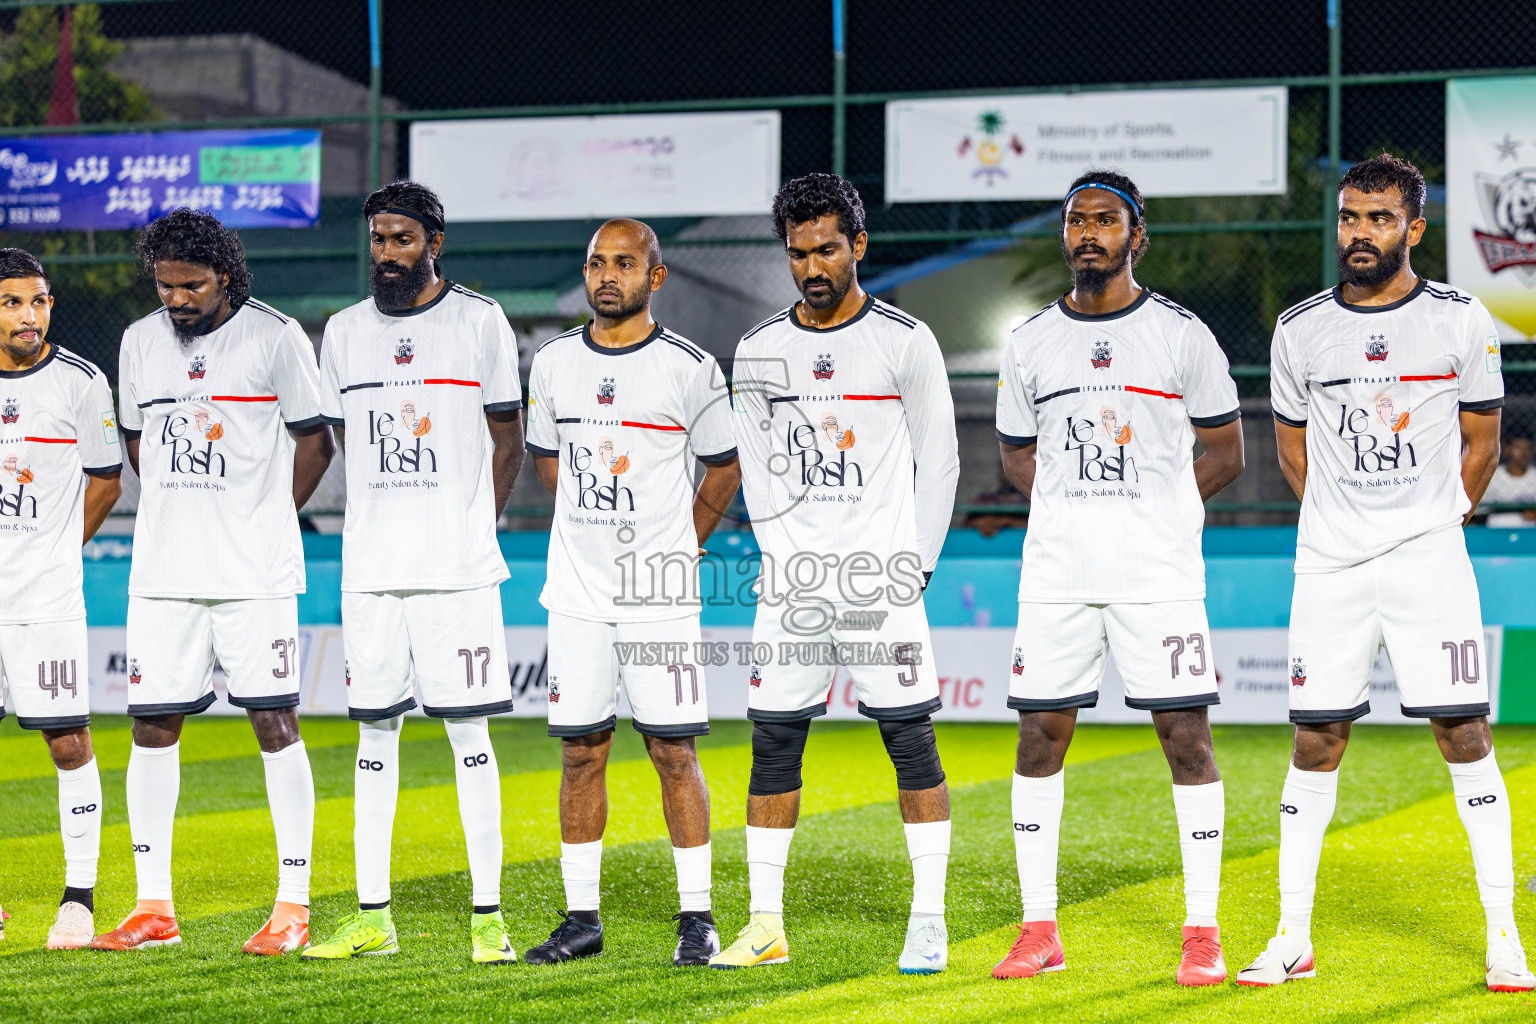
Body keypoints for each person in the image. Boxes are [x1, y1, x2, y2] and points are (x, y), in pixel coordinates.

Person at [1242, 153, 1533, 992]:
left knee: (1464, 735)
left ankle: (1505, 938)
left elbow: (1483, 437)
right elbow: (1292, 445)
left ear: (1415, 226)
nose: (1359, 233)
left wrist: (1438, 519)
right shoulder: (1300, 327)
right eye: (1348, 218)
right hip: (1330, 564)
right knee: (1315, 738)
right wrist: (1342, 518)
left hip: (1428, 560)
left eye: (1377, 218)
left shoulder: (1459, 317)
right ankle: (1292, 936)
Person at [992, 170, 1245, 985]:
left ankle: (1201, 931)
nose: (1089, 233)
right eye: (1076, 221)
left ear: (1137, 237)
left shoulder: (1181, 335)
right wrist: (1072, 515)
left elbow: (1227, 451)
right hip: (1060, 575)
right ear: (1064, 236)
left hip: (1158, 575)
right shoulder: (1030, 341)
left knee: (1187, 741)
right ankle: (1039, 929)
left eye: (1106, 220)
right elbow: (1015, 454)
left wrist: (1158, 516)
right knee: (1040, 738)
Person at [712, 173, 960, 974]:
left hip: (881, 585)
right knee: (773, 746)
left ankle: (928, 919)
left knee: (909, 743)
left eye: (825, 249)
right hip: (793, 588)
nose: (811, 266)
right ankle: (765, 924)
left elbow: (943, 460)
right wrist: (786, 563)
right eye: (796, 253)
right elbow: (756, 467)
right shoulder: (758, 350)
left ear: (858, 245)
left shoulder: (904, 340)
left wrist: (913, 568)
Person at [90, 211, 333, 955]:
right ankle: (153, 907)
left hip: (253, 573)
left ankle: (293, 904)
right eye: (165, 286)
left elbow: (316, 443)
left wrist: (263, 517)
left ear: (224, 275)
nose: (176, 300)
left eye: (191, 285)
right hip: (163, 572)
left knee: (273, 723)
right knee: (152, 727)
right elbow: (138, 444)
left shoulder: (275, 336)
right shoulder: (138, 342)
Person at [302, 180, 525, 965]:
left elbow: (510, 439)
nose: (386, 254)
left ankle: (488, 918)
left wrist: (475, 524)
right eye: (377, 239)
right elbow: (338, 439)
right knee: (374, 733)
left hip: (456, 573)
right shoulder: (342, 332)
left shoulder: (479, 320)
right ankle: (372, 916)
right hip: (370, 571)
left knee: (470, 735)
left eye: (401, 239)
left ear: (434, 241)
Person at [522, 218, 739, 966]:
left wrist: (683, 545)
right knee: (581, 752)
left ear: (656, 276)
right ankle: (581, 920)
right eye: (595, 263)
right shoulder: (552, 363)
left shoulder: (690, 367)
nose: (607, 275)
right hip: (577, 593)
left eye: (624, 263)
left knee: (672, 751)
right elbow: (548, 460)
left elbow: (724, 468)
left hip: (660, 596)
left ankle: (696, 918)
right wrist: (590, 529)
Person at [0, 248, 121, 949]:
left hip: (46, 598)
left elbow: (105, 481)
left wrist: (54, 549)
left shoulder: (80, 381)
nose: (28, 315)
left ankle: (78, 900)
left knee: (68, 740)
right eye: (13, 301)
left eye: (38, 301)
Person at [1480, 435, 1536, 527]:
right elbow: (1481, 507)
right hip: (1497, 528)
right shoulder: (1494, 476)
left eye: (1527, 448)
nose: (1523, 452)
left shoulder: (1534, 476)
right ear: (1507, 449)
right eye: (1518, 447)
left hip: (1529, 529)